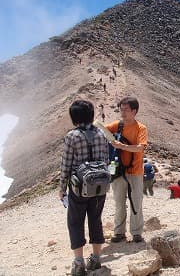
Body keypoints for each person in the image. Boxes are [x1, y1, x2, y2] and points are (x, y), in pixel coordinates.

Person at [59, 100, 109, 276]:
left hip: (78, 188)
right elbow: (106, 161)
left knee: (75, 222)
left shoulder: (72, 136)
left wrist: (62, 189)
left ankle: (79, 263)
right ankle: (96, 259)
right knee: (96, 220)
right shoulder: (101, 134)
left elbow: (66, 165)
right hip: (99, 187)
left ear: (74, 117)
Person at [106, 96, 147, 243]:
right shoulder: (117, 125)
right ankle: (119, 232)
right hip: (117, 171)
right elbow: (102, 131)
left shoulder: (140, 128)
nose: (122, 113)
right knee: (118, 202)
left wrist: (122, 146)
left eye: (126, 110)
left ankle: (136, 232)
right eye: (121, 109)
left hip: (135, 171)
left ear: (134, 111)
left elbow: (140, 147)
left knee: (136, 201)